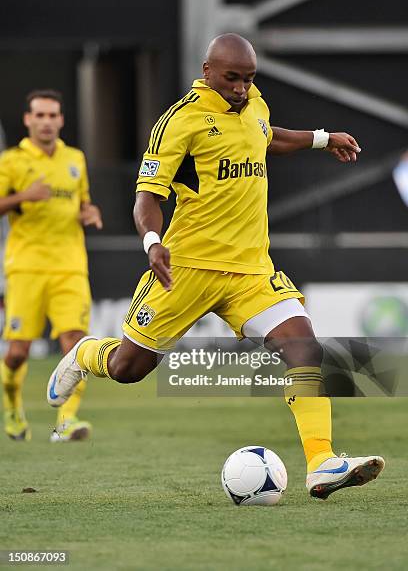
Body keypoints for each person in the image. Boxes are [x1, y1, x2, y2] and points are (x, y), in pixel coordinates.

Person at [47, 34, 384, 498]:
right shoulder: (180, 121)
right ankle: (85, 353)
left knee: (304, 347)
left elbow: (268, 136)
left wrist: (322, 139)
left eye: (249, 79)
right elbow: (147, 195)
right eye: (233, 78)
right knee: (130, 367)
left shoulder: (254, 103)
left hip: (250, 268)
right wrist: (151, 243)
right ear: (207, 70)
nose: (242, 88)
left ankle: (321, 462)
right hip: (185, 268)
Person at [0, 89, 102, 442]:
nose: (46, 122)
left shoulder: (75, 158)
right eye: (39, 115)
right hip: (26, 267)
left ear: (61, 119)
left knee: (76, 344)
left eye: (52, 115)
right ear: (28, 120)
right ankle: (12, 408)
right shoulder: (11, 161)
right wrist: (22, 197)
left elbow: (83, 203)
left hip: (70, 266)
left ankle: (65, 424)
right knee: (16, 353)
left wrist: (90, 212)